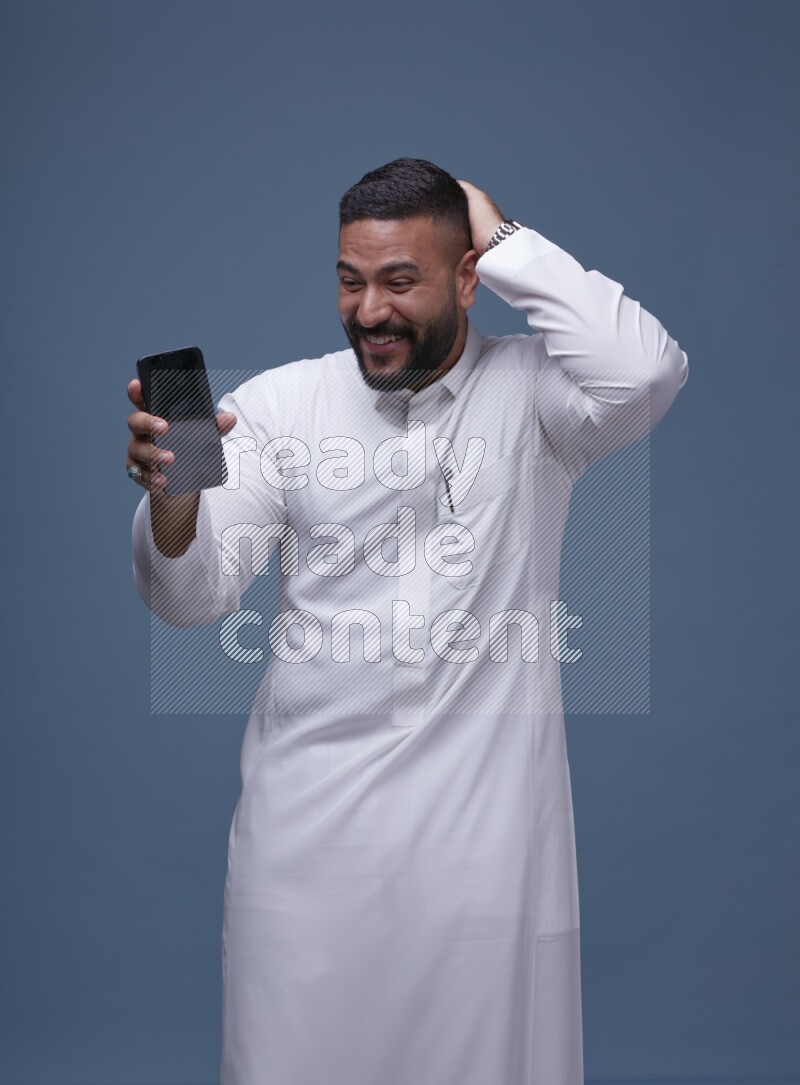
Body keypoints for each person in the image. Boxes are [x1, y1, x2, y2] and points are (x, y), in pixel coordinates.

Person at [127, 158, 688, 1085]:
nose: (370, 311)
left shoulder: (539, 395)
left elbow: (647, 371)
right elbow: (189, 599)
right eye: (351, 281)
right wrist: (175, 494)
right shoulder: (276, 405)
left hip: (485, 860)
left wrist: (506, 238)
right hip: (305, 854)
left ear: (467, 277)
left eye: (400, 281)